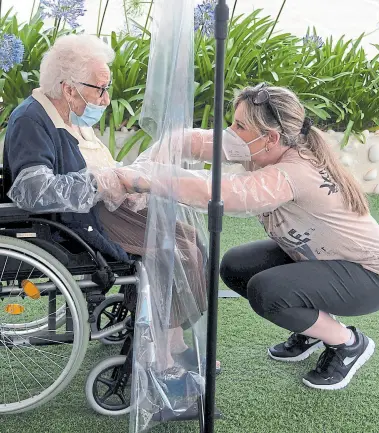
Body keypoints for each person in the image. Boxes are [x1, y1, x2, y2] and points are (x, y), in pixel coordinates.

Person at [117, 83, 379, 390]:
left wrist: (142, 180)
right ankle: (312, 330)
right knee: (235, 266)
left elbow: (223, 193)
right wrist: (151, 158)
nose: (231, 131)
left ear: (271, 137)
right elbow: (193, 141)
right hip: (321, 258)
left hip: (370, 277)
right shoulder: (265, 146)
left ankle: (348, 342)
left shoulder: (295, 171)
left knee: (267, 292)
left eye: (239, 125)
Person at [3, 34, 218, 384]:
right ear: (69, 88)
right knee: (174, 251)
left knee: (192, 239)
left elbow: (98, 165)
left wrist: (124, 182)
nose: (106, 98)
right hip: (76, 221)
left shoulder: (70, 116)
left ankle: (171, 335)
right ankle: (163, 354)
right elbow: (32, 190)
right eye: (99, 89)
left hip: (98, 208)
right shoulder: (32, 120)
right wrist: (104, 182)